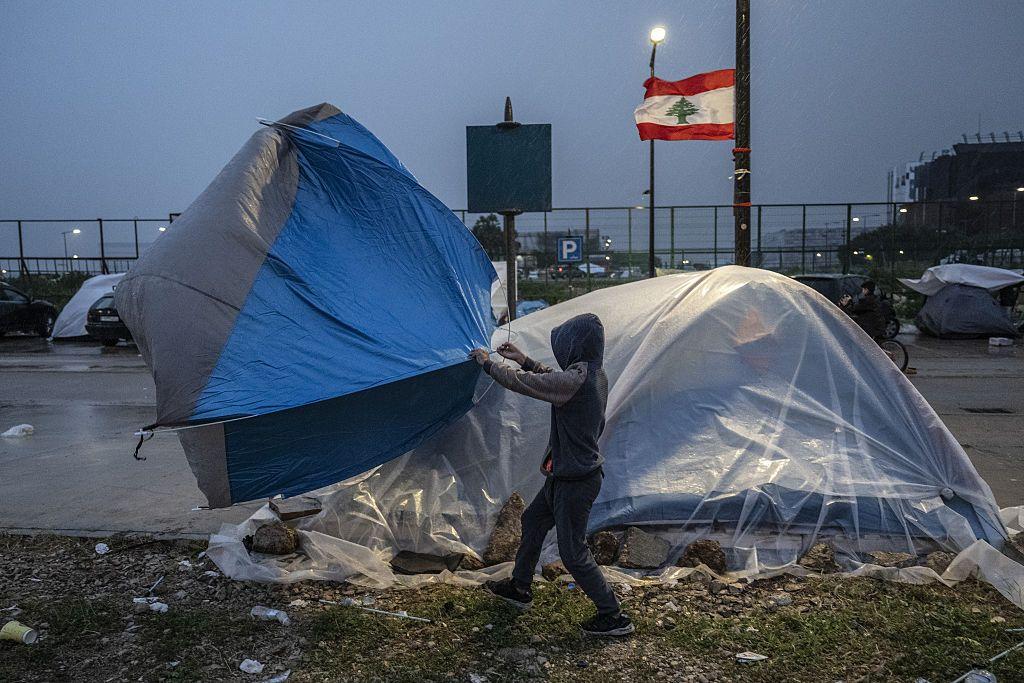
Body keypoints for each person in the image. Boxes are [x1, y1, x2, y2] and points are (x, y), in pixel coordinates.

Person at [468, 313, 633, 637]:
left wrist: (488, 364)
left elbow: (526, 383)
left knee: (573, 553)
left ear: (575, 346)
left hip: (575, 482)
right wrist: (524, 359)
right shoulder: (591, 373)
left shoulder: (577, 381)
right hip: (565, 475)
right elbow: (553, 378)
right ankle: (520, 587)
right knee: (532, 521)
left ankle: (613, 615)